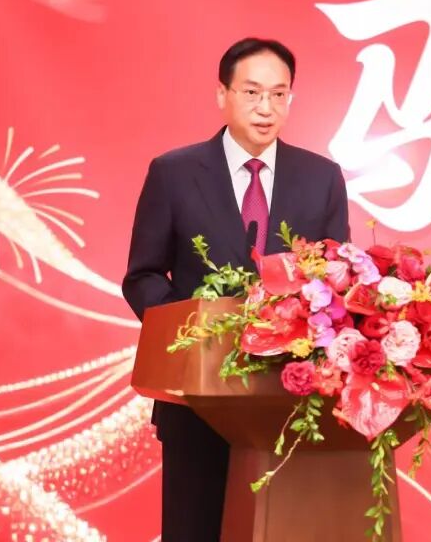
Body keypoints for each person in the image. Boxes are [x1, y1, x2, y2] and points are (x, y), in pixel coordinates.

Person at [122, 38, 351, 541]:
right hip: (197, 400)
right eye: (251, 92)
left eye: (279, 94)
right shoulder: (174, 173)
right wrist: (198, 336)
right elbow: (142, 276)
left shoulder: (322, 178)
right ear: (222, 94)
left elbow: (336, 280)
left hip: (289, 402)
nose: (266, 107)